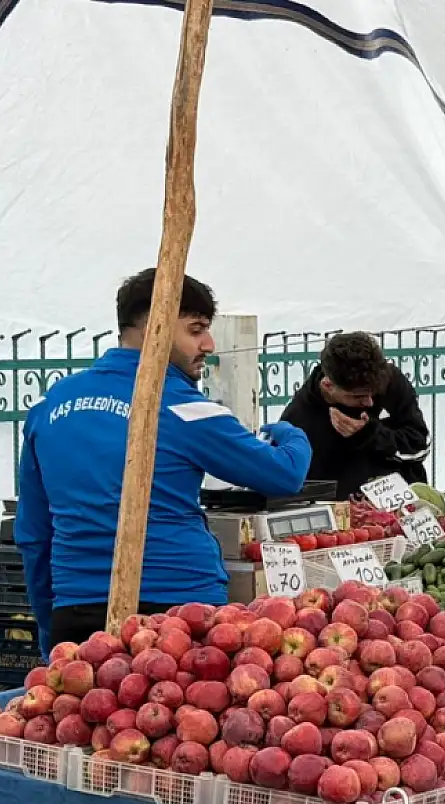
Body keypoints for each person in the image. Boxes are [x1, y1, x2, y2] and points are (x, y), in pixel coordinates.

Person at [15, 269, 312, 655]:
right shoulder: (184, 407)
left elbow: (34, 534)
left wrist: (50, 624)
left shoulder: (51, 406)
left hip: (78, 612)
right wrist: (294, 433)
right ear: (153, 326)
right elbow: (284, 473)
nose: (208, 343)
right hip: (179, 613)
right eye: (195, 329)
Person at [281, 332, 431, 500]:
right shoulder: (299, 419)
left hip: (406, 510)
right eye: (358, 396)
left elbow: (420, 447)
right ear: (328, 385)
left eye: (374, 394)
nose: (369, 403)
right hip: (347, 518)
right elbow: (294, 486)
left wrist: (372, 435)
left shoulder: (392, 383)